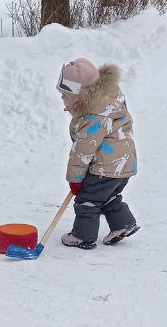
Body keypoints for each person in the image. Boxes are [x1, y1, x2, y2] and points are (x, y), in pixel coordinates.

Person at [57, 58, 139, 249]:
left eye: (65, 96)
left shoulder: (93, 117)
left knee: (87, 200)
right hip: (125, 164)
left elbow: (82, 151)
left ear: (80, 96)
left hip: (105, 168)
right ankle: (123, 224)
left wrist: (75, 179)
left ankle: (83, 236)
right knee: (106, 196)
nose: (62, 99)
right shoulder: (109, 99)